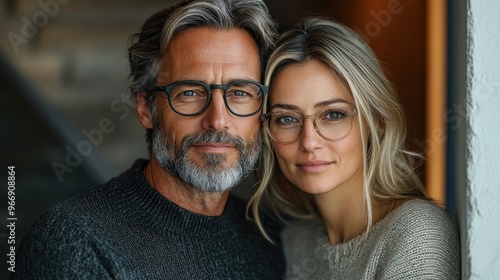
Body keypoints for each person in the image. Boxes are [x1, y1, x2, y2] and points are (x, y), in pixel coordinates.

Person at [12, 0, 285, 279]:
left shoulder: (270, 238)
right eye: (189, 92)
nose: (217, 120)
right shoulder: (73, 242)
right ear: (146, 108)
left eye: (240, 93)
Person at [248, 17, 460, 279]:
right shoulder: (295, 242)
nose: (309, 142)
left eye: (333, 115)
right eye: (287, 119)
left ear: (377, 122)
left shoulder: (417, 234)